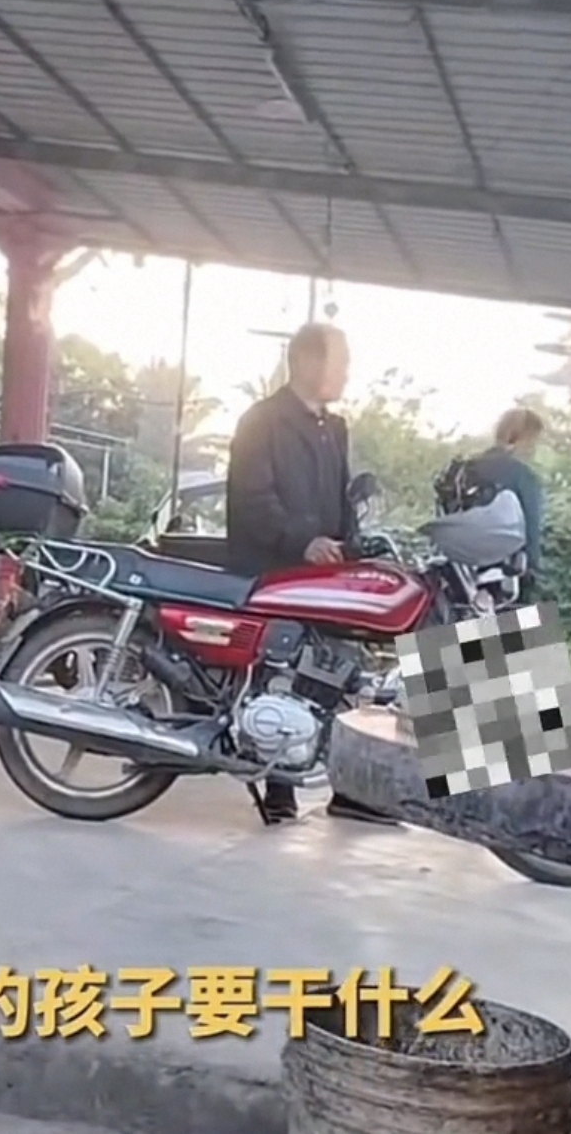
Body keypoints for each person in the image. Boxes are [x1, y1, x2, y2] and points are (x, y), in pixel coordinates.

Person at [226, 323, 389, 828]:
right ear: (307, 362)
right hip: (275, 570)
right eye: (341, 361)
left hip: (325, 572)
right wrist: (303, 541)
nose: (347, 373)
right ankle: (280, 785)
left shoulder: (335, 427)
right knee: (285, 677)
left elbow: (341, 499)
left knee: (344, 668)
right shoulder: (262, 420)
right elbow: (252, 498)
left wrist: (356, 542)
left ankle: (356, 787)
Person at [472, 407, 546, 582]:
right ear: (524, 439)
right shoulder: (522, 475)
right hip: (506, 569)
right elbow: (531, 526)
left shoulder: (467, 467)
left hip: (460, 568)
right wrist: (533, 567)